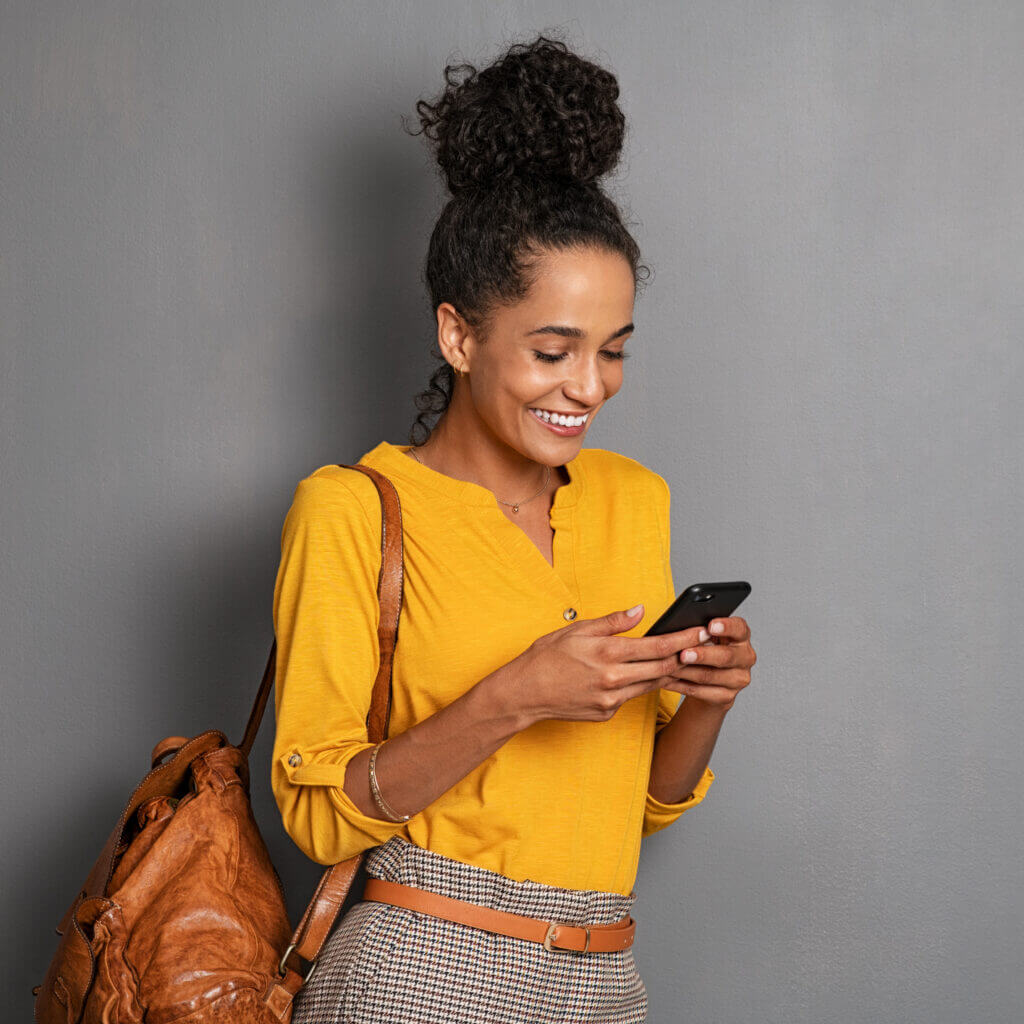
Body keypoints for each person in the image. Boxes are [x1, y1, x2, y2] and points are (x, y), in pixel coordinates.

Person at [271, 33, 756, 1024]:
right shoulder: (354, 507)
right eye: (551, 350)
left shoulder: (631, 497)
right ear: (458, 334)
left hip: (603, 972)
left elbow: (641, 803)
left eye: (613, 350)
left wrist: (705, 700)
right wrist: (513, 696)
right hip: (422, 966)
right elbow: (319, 815)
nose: (588, 386)